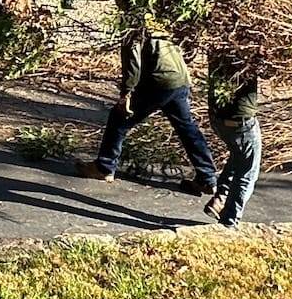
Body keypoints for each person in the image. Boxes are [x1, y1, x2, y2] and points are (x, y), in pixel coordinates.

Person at [77, 12, 221, 201]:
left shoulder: (132, 26)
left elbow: (132, 63)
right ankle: (208, 178)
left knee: (119, 118)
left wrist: (126, 94)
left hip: (159, 82)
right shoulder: (158, 21)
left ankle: (104, 167)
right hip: (180, 80)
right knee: (187, 128)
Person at [205, 51, 263, 227]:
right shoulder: (248, 49)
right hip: (240, 121)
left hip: (218, 118)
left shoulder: (217, 48)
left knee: (239, 155)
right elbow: (269, 69)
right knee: (248, 172)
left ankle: (220, 199)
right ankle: (230, 220)